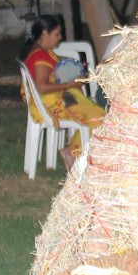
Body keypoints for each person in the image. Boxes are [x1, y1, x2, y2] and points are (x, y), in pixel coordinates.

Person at [22, 14, 105, 168]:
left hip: (54, 100)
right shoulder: (39, 55)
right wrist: (69, 85)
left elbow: (53, 77)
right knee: (100, 118)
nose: (60, 38)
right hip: (53, 104)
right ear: (45, 34)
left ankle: (71, 152)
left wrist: (74, 76)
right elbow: (42, 87)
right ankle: (71, 152)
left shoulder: (39, 52)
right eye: (56, 34)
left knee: (99, 117)